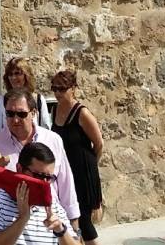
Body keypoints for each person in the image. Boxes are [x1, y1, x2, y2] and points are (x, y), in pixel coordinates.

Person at [0, 88, 80, 228]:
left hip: (49, 221)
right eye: (10, 114)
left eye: (21, 114)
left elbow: (66, 183)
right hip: (10, 223)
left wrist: (74, 223)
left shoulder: (52, 140)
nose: (15, 120)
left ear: (33, 113)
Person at [0, 142, 79, 245]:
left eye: (48, 178)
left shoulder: (54, 208)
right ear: (19, 169)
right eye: (39, 176)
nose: (44, 183)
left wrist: (61, 231)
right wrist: (23, 218)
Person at [50, 70, 103, 245]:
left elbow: (99, 143)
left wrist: (91, 168)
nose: (57, 93)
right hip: (66, 173)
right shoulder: (55, 110)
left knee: (85, 221)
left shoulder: (82, 113)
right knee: (71, 220)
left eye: (62, 89)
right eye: (54, 88)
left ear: (73, 88)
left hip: (83, 173)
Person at [0, 58, 51, 133]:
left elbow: (46, 130)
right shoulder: (0, 101)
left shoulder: (38, 100)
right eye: (10, 74)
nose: (13, 78)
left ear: (26, 76)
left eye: (17, 73)